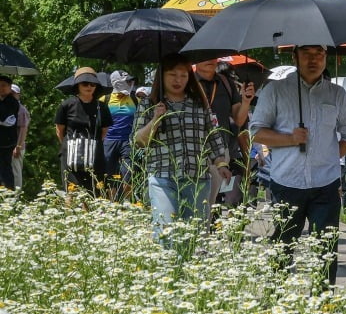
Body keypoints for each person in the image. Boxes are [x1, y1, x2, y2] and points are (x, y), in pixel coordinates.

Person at [249, 45, 346, 287]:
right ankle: (275, 298)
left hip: (326, 184)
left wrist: (330, 156)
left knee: (326, 248)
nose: (314, 60)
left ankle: (323, 304)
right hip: (287, 181)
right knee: (283, 245)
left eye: (319, 54)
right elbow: (256, 132)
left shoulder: (336, 94)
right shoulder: (275, 90)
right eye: (307, 53)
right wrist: (290, 139)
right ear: (294, 56)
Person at [132, 54, 231, 244]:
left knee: (194, 236)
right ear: (162, 76)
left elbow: (213, 135)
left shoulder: (199, 104)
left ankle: (188, 273)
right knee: (165, 233)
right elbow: (138, 141)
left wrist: (221, 163)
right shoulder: (149, 104)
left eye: (183, 75)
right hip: (163, 177)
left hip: (198, 179)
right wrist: (155, 119)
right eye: (172, 75)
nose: (178, 80)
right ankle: (169, 272)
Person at [194, 58, 251, 208]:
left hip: (220, 152)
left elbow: (239, 120)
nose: (211, 59)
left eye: (214, 55)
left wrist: (246, 102)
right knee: (195, 203)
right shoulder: (188, 82)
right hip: (194, 151)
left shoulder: (226, 82)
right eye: (205, 55)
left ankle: (209, 230)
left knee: (211, 204)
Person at [55, 67, 113, 196]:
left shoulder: (102, 107)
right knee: (71, 192)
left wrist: (91, 144)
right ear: (77, 85)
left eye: (93, 84)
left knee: (94, 192)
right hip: (69, 154)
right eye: (85, 83)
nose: (89, 86)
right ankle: (69, 215)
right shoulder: (66, 105)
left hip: (94, 155)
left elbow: (104, 130)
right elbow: (60, 130)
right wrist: (71, 145)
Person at [103, 70, 138, 200]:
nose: (130, 83)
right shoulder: (104, 100)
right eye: (127, 81)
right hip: (108, 141)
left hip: (128, 142)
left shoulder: (135, 98)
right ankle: (111, 205)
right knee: (109, 176)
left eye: (130, 81)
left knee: (128, 174)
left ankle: (129, 205)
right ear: (117, 82)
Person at [0, 75, 21, 190]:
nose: (1, 88)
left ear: (9, 87)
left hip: (7, 142)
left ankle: (9, 193)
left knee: (6, 169)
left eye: (4, 86)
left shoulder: (12, 102)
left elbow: (4, 117)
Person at [9, 83, 29, 191]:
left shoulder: (21, 110)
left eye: (13, 93)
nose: (10, 95)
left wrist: (18, 146)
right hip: (6, 146)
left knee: (16, 173)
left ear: (18, 95)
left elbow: (23, 129)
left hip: (16, 147)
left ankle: (16, 198)